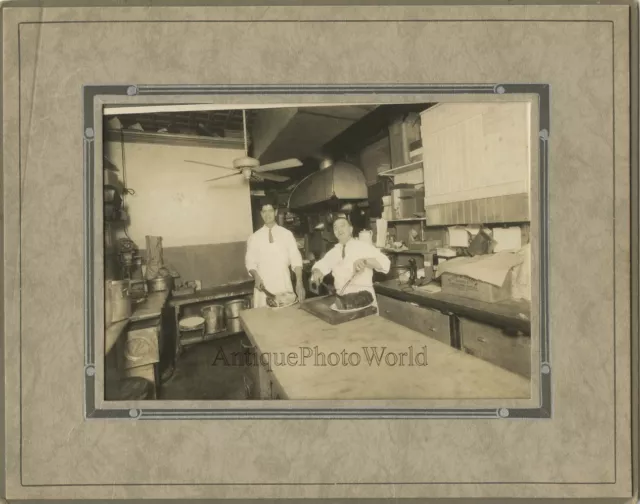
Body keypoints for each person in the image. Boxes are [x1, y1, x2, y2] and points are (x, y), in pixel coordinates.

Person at [310, 217, 390, 305]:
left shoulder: (363, 246)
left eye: (342, 226)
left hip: (364, 298)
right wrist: (316, 271)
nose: (339, 230)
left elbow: (385, 263)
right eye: (335, 227)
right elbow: (320, 265)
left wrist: (365, 261)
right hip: (342, 300)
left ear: (351, 229)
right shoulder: (333, 252)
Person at [245, 199, 306, 308]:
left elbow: (296, 259)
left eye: (270, 211)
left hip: (284, 287)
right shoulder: (254, 238)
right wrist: (256, 276)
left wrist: (299, 282)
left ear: (276, 212)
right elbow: (250, 263)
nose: (267, 214)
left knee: (286, 321)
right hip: (263, 289)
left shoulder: (286, 234)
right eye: (264, 211)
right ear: (261, 214)